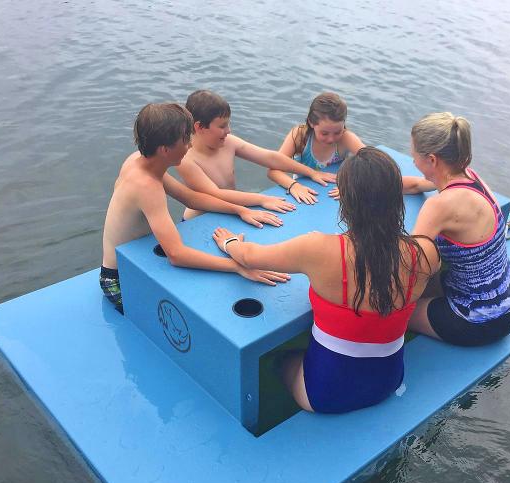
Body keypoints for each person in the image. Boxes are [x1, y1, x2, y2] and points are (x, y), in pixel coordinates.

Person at [212, 147, 440, 413]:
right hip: (388, 382)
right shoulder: (425, 252)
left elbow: (250, 256)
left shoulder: (317, 249)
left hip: (326, 395)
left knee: (279, 359)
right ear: (396, 197)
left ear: (346, 200)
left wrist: (229, 243)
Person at [100, 103, 290, 314]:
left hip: (136, 261)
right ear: (165, 150)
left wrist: (240, 210)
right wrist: (238, 266)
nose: (190, 145)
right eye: (185, 140)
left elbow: (190, 198)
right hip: (119, 279)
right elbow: (177, 255)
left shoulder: (140, 161)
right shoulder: (146, 186)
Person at [406, 112, 510, 346]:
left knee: (390, 309)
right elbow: (417, 184)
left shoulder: (439, 206)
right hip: (508, 300)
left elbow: (409, 265)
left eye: (414, 156)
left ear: (432, 159)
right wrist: (370, 185)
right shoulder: (470, 177)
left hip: (476, 320)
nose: (412, 161)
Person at [176, 90, 337, 221]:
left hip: (232, 211)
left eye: (228, 124)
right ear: (199, 127)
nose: (229, 130)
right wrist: (262, 199)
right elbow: (216, 194)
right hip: (200, 219)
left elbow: (269, 157)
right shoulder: (187, 159)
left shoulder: (228, 142)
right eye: (222, 126)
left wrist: (312, 173)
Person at [267, 92, 433, 204]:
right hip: (304, 193)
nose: (331, 139)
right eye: (324, 133)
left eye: (337, 132)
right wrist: (293, 185)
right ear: (311, 123)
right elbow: (273, 170)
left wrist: (354, 185)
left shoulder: (346, 138)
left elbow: (373, 163)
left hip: (338, 193)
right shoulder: (299, 136)